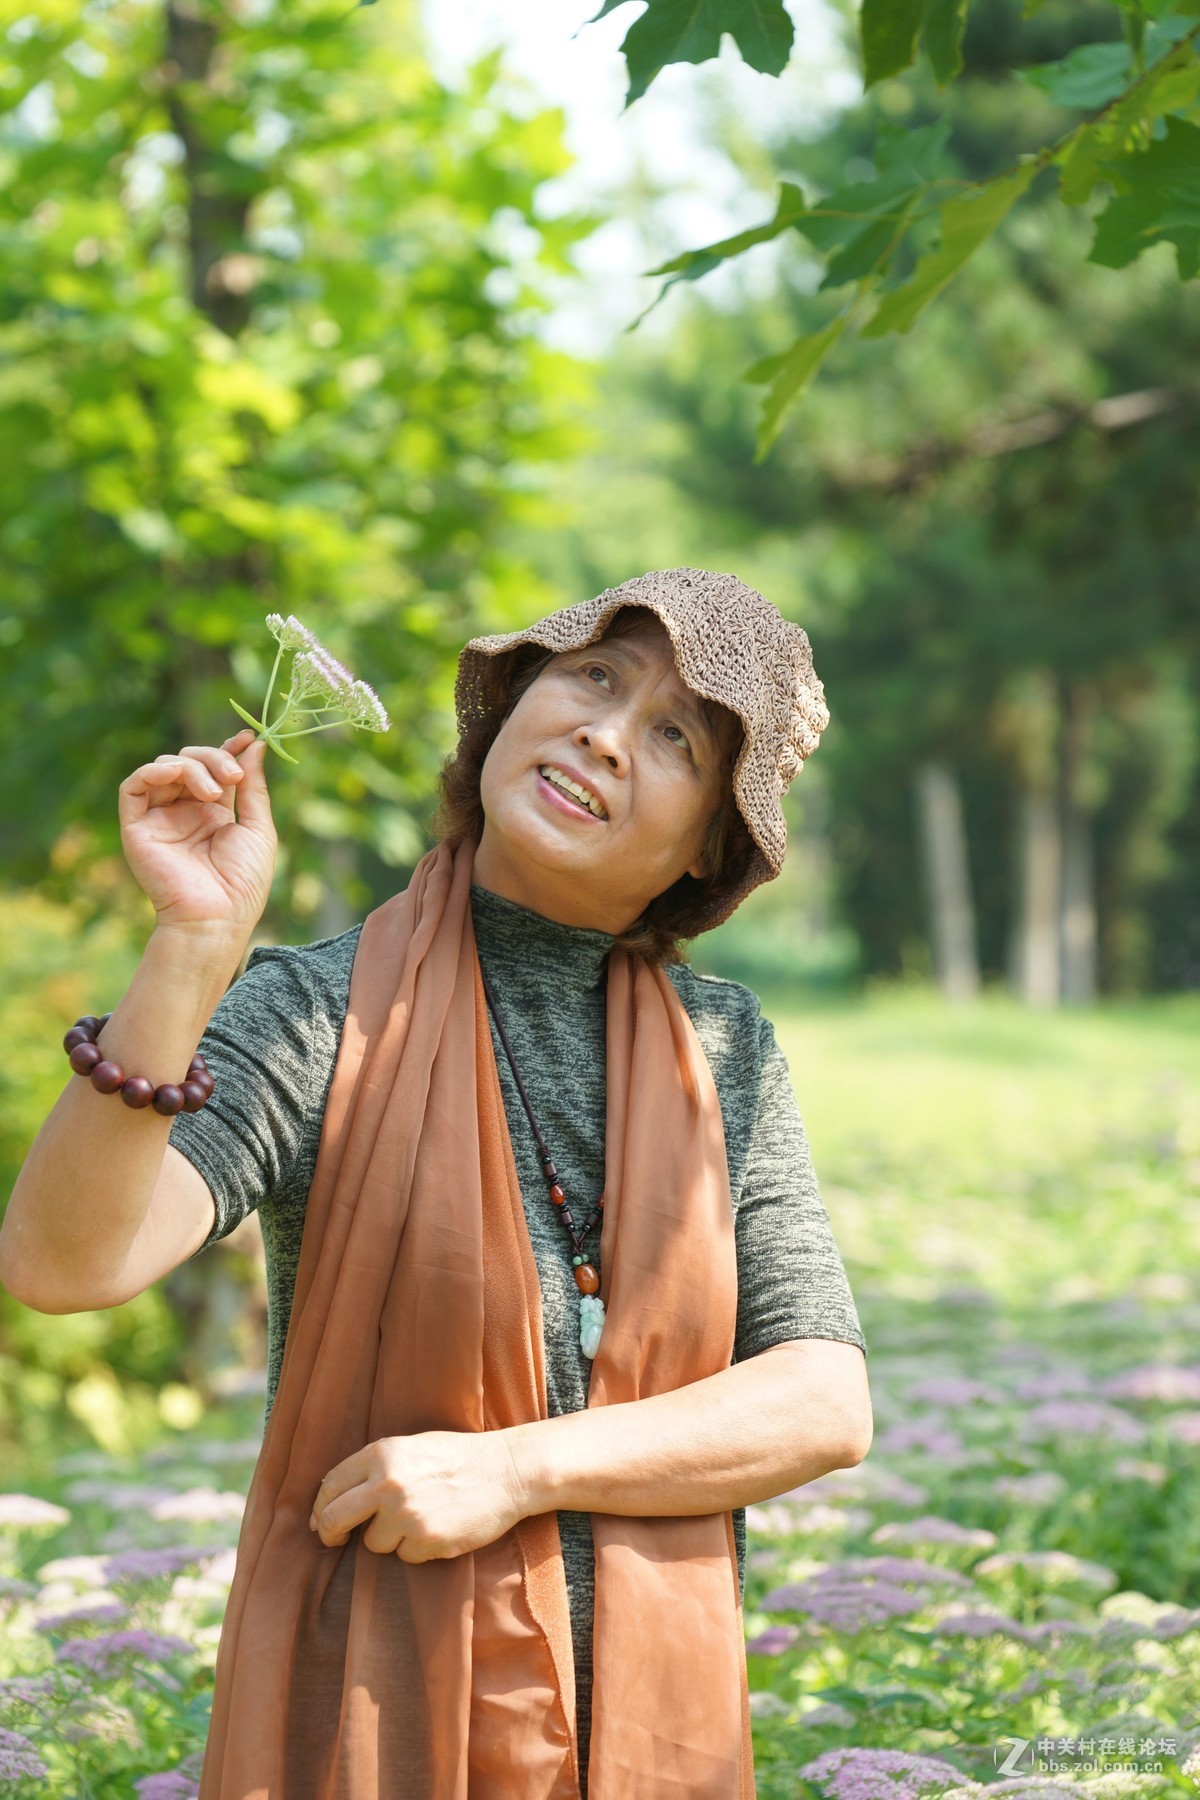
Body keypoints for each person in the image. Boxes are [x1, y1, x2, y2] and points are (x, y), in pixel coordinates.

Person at [1, 567, 871, 1799]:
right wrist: (192, 948)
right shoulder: (320, 1013)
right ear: (514, 701)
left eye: (674, 734)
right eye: (593, 677)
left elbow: (821, 1399)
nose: (605, 735)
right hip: (372, 1721)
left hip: (652, 1736)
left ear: (710, 848)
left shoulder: (727, 1051)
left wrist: (515, 1471)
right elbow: (62, 1264)